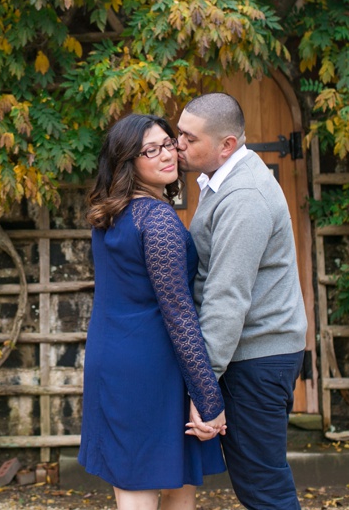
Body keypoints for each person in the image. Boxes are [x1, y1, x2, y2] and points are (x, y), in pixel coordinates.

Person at [79, 114, 227, 510]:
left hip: (114, 358)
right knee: (156, 495)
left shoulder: (110, 212)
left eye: (168, 143)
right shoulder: (157, 218)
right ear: (129, 161)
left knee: (150, 486)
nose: (167, 155)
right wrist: (208, 396)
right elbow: (179, 313)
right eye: (151, 150)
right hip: (149, 370)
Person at [177, 93, 308, 510]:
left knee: (263, 487)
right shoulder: (225, 182)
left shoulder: (243, 197)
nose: (177, 144)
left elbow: (227, 297)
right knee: (259, 483)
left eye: (188, 138)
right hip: (252, 354)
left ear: (226, 145)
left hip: (257, 358)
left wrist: (204, 383)